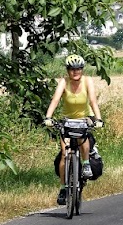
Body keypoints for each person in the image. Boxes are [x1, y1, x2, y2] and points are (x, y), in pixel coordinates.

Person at [43, 54, 103, 205]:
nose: (75, 72)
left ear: (82, 70)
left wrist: (98, 119)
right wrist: (48, 117)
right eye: (72, 69)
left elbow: (93, 101)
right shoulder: (64, 82)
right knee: (64, 153)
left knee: (84, 136)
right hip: (68, 119)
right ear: (68, 70)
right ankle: (63, 188)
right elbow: (55, 99)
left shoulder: (87, 81)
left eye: (78, 69)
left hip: (84, 117)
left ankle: (86, 164)